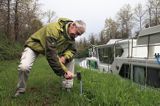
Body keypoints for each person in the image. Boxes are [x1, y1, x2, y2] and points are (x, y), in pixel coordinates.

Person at [14, 18, 86, 97]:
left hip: (51, 49)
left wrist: (65, 57)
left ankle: (67, 87)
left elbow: (72, 51)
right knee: (24, 67)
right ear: (73, 25)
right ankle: (20, 90)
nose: (76, 36)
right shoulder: (54, 28)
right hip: (34, 46)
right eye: (77, 33)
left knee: (70, 60)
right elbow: (50, 54)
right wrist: (64, 72)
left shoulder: (71, 38)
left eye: (78, 35)